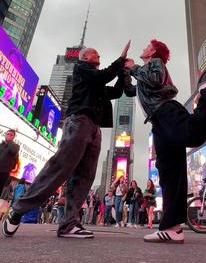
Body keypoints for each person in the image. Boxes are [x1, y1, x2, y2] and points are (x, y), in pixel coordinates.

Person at [3, 42, 130, 239]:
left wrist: (123, 72)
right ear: (85, 58)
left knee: (85, 176)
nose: (99, 55)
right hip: (79, 122)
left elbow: (115, 92)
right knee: (60, 167)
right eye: (95, 53)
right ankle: (18, 209)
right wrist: (120, 59)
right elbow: (103, 76)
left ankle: (69, 224)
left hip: (95, 128)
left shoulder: (95, 82)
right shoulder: (82, 69)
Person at [123, 39, 206, 243]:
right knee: (170, 174)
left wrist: (133, 67)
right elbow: (129, 91)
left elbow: (154, 80)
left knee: (194, 135)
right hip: (158, 121)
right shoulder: (143, 72)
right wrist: (125, 71)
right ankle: (172, 228)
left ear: (152, 52)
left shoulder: (156, 64)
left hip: (166, 111)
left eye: (146, 46)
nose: (143, 49)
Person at [0, 129, 20, 197]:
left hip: (4, 171)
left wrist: (8, 142)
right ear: (5, 135)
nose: (9, 136)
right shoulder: (1, 145)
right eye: (8, 134)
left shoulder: (16, 146)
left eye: (11, 135)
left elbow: (14, 151)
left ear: (14, 137)